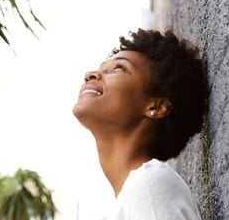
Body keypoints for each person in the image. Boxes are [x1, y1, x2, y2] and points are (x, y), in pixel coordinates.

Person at [73, 28, 206, 220]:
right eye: (101, 68)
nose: (91, 74)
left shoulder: (149, 187)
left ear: (156, 106)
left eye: (119, 68)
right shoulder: (140, 192)